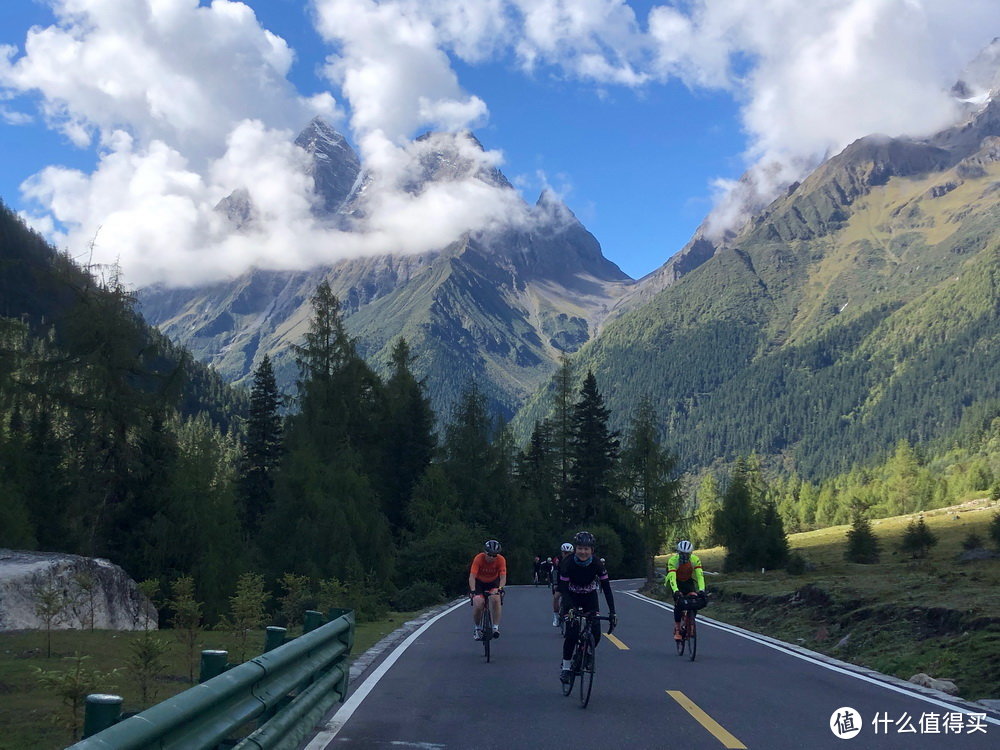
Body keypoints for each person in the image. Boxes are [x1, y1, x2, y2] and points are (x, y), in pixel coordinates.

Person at [558, 531, 616, 683]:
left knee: (596, 632)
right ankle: (565, 667)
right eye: (580, 548)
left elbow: (607, 589)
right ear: (575, 549)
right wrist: (569, 608)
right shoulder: (567, 563)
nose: (583, 552)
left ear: (592, 550)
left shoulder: (597, 564)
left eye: (586, 549)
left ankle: (584, 652)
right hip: (571, 597)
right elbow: (563, 589)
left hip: (590, 597)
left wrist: (613, 612)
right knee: (572, 632)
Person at [664, 540, 706, 640]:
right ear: (678, 553)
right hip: (676, 582)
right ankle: (678, 630)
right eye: (682, 554)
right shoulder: (673, 561)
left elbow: (700, 576)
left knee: (694, 600)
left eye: (687, 554)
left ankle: (690, 622)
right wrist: (675, 591)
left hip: (688, 582)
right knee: (678, 604)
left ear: (691, 553)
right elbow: (672, 577)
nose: (684, 557)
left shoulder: (695, 560)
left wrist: (702, 590)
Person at [469, 540, 507, 640]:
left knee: (496, 599)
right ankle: (477, 628)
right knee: (478, 603)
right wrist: (473, 591)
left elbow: (503, 577)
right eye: (489, 555)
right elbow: (472, 576)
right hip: (479, 582)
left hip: (493, 582)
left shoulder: (501, 560)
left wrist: (500, 589)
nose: (492, 557)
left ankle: (495, 627)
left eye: (495, 555)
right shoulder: (478, 558)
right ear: (485, 553)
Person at [551, 542, 574, 627]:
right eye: (565, 553)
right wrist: (555, 583)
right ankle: (556, 616)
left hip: (571, 582)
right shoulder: (558, 560)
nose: (566, 555)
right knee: (556, 597)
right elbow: (555, 572)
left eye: (568, 553)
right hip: (560, 581)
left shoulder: (574, 559)